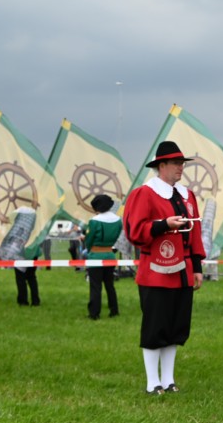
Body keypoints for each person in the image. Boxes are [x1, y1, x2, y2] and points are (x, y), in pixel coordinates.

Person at [124, 141, 206, 395]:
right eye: (176, 164)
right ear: (162, 166)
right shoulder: (144, 194)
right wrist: (163, 224)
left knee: (175, 327)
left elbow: (195, 233)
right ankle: (152, 382)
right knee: (155, 326)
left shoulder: (187, 195)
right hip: (155, 272)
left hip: (182, 272)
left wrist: (196, 266)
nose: (181, 168)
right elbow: (135, 231)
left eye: (182, 163)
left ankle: (168, 380)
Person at [83, 194, 122, 320]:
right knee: (110, 285)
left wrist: (90, 250)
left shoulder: (94, 221)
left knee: (95, 286)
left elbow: (89, 240)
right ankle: (114, 310)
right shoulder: (118, 220)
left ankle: (94, 313)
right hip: (110, 255)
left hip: (96, 256)